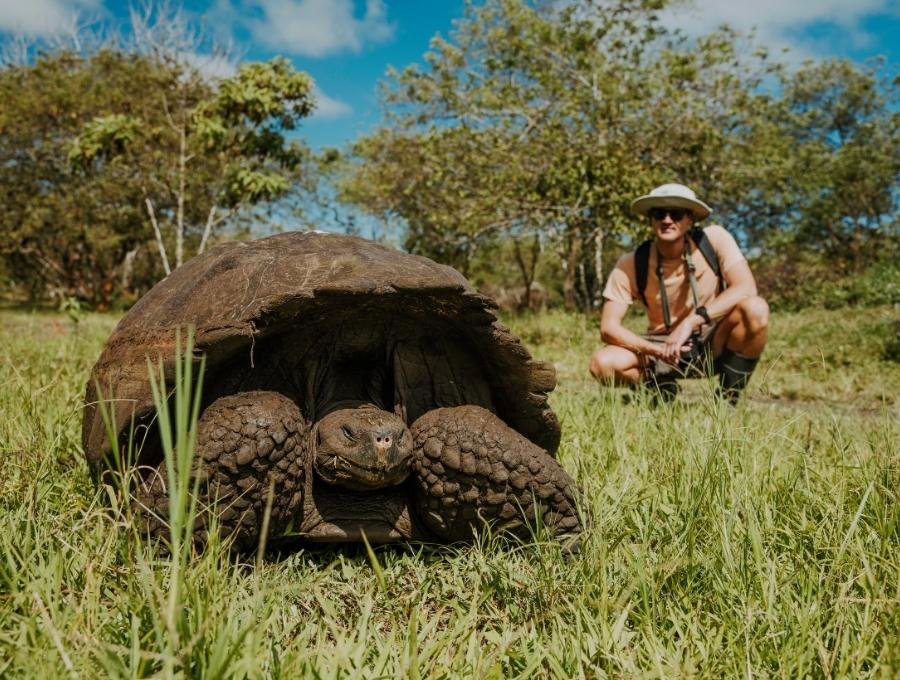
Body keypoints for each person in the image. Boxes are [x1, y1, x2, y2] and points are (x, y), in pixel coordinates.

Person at [589, 183, 769, 404]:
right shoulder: (632, 262)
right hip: (659, 344)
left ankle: (727, 400)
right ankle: (657, 387)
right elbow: (609, 327)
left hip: (709, 338)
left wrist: (690, 323)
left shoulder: (714, 239)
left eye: (676, 213)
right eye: (658, 213)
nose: (666, 220)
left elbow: (746, 288)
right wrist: (654, 350)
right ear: (650, 219)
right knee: (602, 364)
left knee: (756, 309)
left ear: (690, 219)